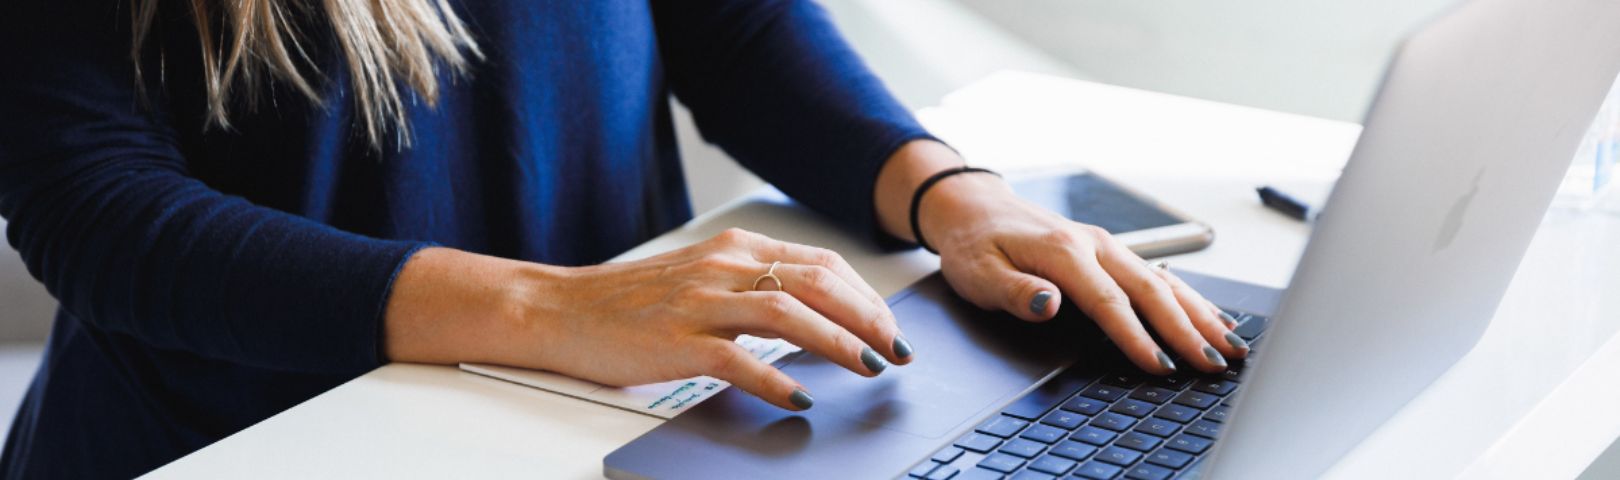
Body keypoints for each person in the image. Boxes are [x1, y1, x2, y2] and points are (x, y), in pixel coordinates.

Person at [0, 0, 1249, 477]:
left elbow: (736, 28)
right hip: (265, 438)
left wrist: (947, 192)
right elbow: (95, 208)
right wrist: (552, 310)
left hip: (605, 414)